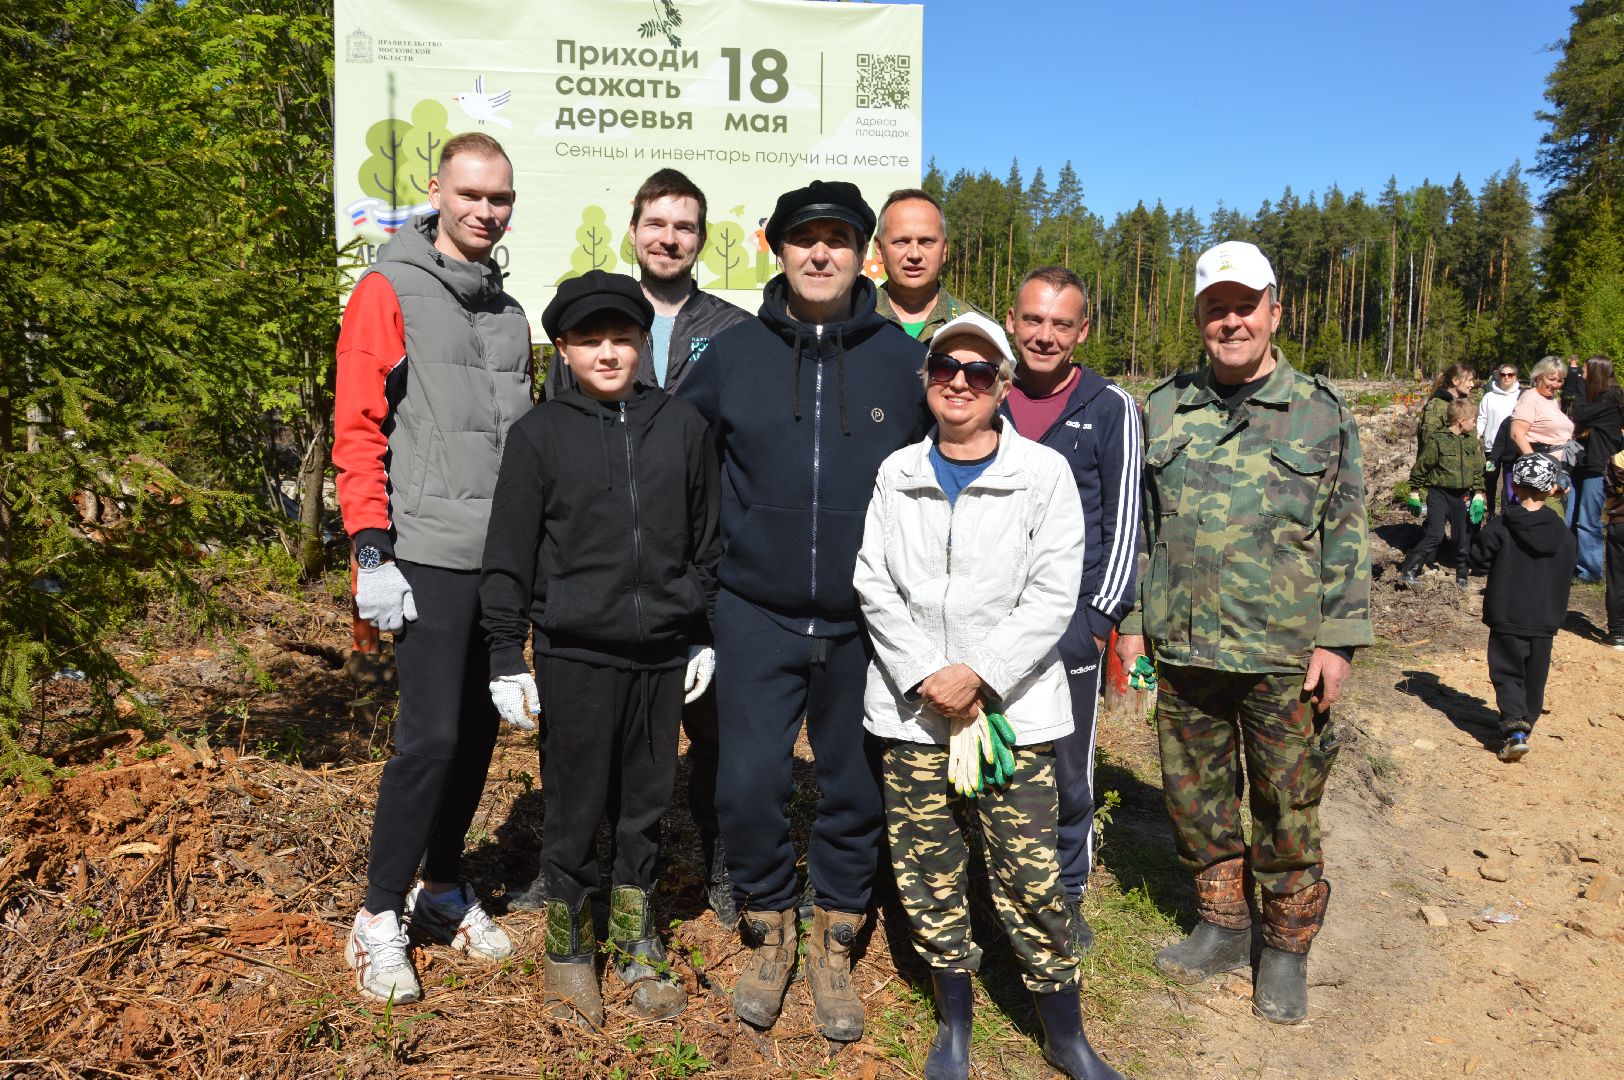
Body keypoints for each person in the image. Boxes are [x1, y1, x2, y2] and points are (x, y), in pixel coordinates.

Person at [676, 180, 929, 1041]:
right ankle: (769, 922)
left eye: (838, 239)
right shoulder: (735, 355)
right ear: (776, 249)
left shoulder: (903, 360)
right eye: (803, 239)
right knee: (747, 783)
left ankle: (837, 935)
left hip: (867, 620)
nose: (820, 253)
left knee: (853, 785)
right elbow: (681, 460)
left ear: (864, 253)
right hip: (757, 611)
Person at [854, 312, 1122, 1080]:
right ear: (928, 378)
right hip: (912, 715)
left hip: (1014, 712)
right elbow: (874, 584)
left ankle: (1064, 1032)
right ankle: (955, 1027)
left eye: (979, 371)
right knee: (928, 873)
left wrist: (978, 675)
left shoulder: (1042, 475)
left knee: (1032, 879)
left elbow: (1052, 592)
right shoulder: (896, 473)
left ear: (1004, 385)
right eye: (947, 368)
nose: (961, 382)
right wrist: (927, 677)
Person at [1116, 241, 1373, 1025]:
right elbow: (1144, 530)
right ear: (1198, 316)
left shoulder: (1322, 411)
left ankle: (1286, 949)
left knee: (1287, 801)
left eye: (1244, 306)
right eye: (1214, 308)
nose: (1230, 322)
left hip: (1283, 655)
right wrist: (1131, 625)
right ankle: (1224, 926)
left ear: (1274, 310)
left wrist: (1338, 640)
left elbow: (1347, 532)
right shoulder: (1162, 407)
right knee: (1195, 797)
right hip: (1184, 644)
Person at [480, 270, 720, 1027]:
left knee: (646, 808)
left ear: (642, 341)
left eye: (622, 336)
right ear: (564, 347)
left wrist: (701, 632)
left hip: (660, 655)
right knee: (576, 808)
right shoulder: (539, 435)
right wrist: (504, 654)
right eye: (590, 339)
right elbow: (510, 553)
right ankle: (568, 949)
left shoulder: (681, 426)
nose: (608, 351)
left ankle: (635, 938)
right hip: (575, 653)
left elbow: (707, 543)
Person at [332, 133, 529, 1004]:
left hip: (499, 564)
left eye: (500, 199)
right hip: (424, 556)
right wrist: (369, 547)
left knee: (481, 734)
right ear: (436, 191)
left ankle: (442, 887)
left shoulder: (510, 313)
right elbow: (358, 424)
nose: (485, 211)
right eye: (472, 194)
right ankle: (378, 915)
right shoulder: (389, 291)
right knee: (431, 738)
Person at [529, 168, 748, 925]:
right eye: (657, 223)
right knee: (583, 746)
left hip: (689, 568)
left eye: (685, 226)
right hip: (596, 583)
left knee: (705, 738)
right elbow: (558, 455)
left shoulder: (730, 330)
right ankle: (566, 887)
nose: (669, 237)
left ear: (700, 238)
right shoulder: (599, 315)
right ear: (634, 229)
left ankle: (716, 866)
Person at [1000, 266, 1141, 953]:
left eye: (1061, 323)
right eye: (1034, 320)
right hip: (991, 627)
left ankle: (1066, 892)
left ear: (1081, 331)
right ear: (1011, 321)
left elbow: (1126, 522)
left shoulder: (1110, 408)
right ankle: (991, 885)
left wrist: (1097, 623)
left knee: (1066, 768)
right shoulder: (982, 394)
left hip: (1071, 631)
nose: (1045, 335)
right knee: (990, 757)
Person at [1468, 454, 1576, 762]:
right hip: (1545, 617)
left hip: (1507, 613)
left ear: (1514, 485)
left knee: (1507, 671)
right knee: (1535, 676)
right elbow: (1568, 568)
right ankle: (1524, 726)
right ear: (1552, 489)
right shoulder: (1563, 534)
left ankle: (1515, 728)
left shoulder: (1502, 526)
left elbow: (1478, 557)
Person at [871, 188, 983, 343]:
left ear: (944, 249)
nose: (914, 254)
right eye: (901, 241)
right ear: (879, 249)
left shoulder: (977, 328)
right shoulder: (850, 322)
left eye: (927, 241)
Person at [1400, 398, 1486, 589]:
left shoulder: (1471, 442)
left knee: (1462, 537)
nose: (1475, 423)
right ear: (1462, 420)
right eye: (1473, 419)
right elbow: (1422, 467)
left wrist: (1479, 494)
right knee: (1435, 535)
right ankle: (1409, 569)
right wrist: (1414, 492)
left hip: (1462, 495)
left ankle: (1462, 573)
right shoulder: (1438, 441)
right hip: (1439, 494)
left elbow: (1478, 470)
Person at [1564, 356, 1623, 583]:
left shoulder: (1611, 397)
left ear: (1597, 373)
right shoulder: (1596, 396)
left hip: (1598, 466)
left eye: (1585, 371)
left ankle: (1590, 570)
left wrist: (1579, 386)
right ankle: (1569, 563)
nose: (1581, 375)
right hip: (1580, 463)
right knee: (1569, 517)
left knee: (1588, 519)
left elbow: (1578, 413)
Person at [1508, 355, 1576, 518]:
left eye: (1560, 380)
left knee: (1559, 521)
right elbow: (1517, 434)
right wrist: (1539, 470)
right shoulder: (1530, 398)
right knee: (1549, 521)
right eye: (1551, 379)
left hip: (1561, 469)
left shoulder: (1551, 400)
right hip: (1544, 471)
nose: (1555, 384)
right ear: (1538, 376)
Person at [1477, 363, 1520, 517]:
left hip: (1511, 447)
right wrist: (1478, 434)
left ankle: (1505, 511)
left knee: (1509, 480)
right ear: (1498, 376)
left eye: (1510, 375)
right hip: (1491, 446)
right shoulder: (1489, 396)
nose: (1506, 377)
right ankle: (1490, 510)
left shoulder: (1520, 397)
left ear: (1515, 377)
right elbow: (1482, 418)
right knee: (1491, 479)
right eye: (1503, 374)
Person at [1416, 363, 1476, 454]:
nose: (1472, 384)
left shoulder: (1464, 405)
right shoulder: (1437, 407)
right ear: (1455, 381)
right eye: (1469, 380)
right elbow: (1429, 443)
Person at [1604, 448, 1624, 650]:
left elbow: (1609, 493)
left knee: (1617, 579)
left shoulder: (1616, 459)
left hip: (1619, 522)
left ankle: (1618, 633)